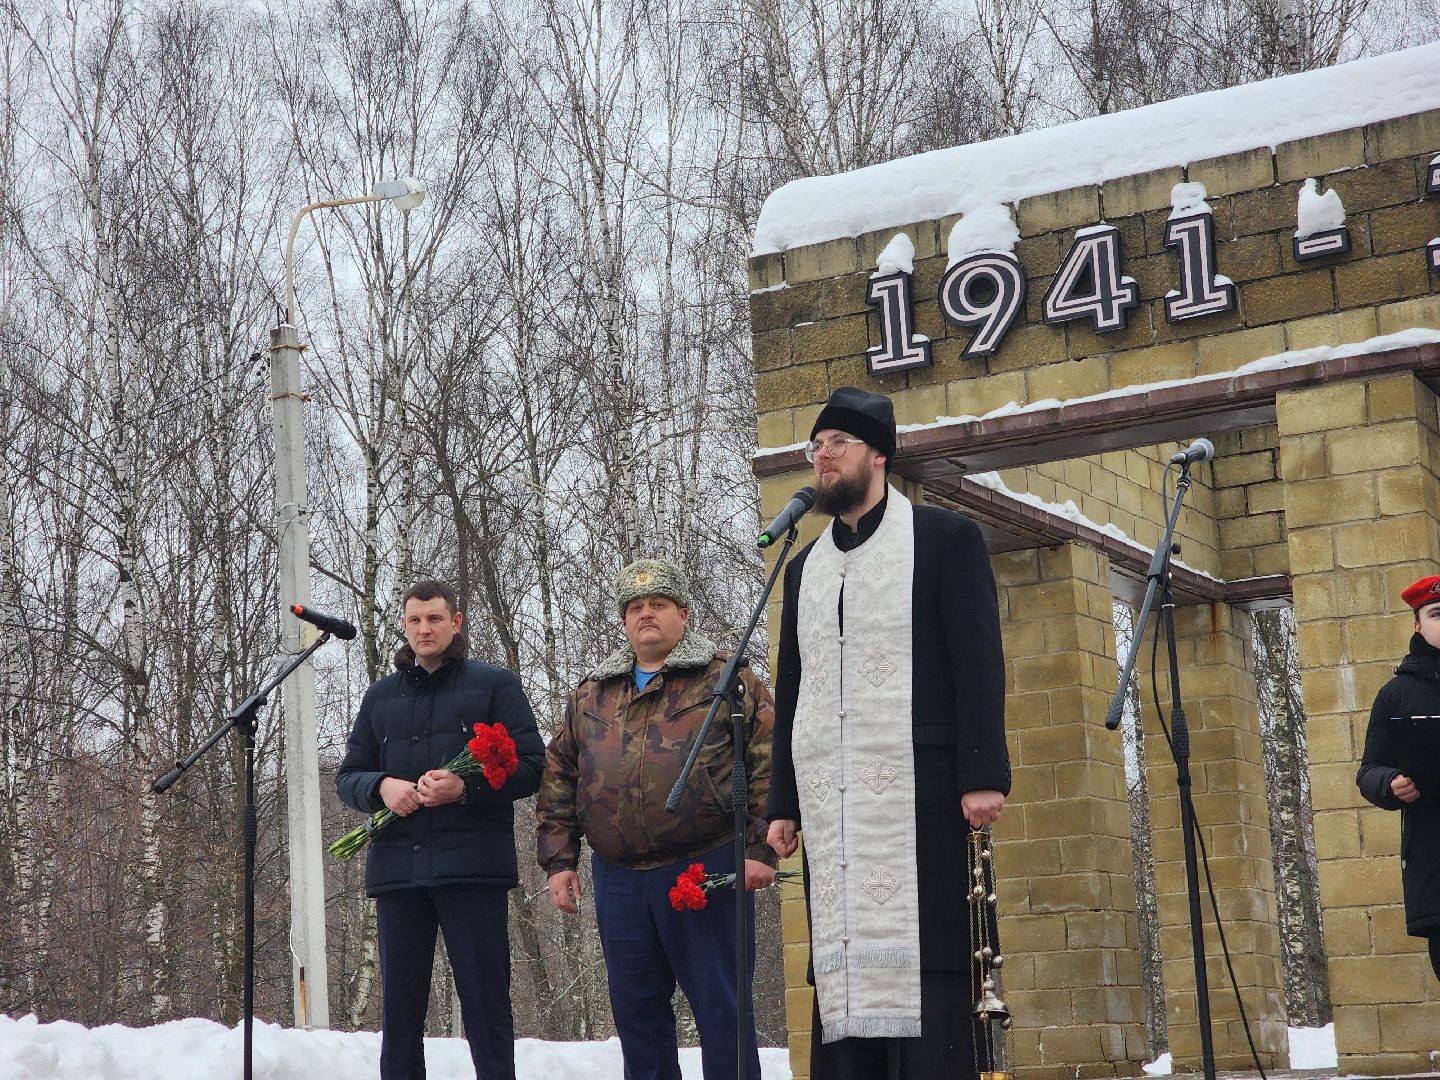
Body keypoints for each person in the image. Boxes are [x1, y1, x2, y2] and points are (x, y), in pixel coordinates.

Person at [765, 386, 1011, 1080]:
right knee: (841, 968)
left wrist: (982, 771)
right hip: (834, 808)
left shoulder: (943, 539)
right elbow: (794, 686)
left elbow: (978, 661)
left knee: (930, 963)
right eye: (816, 448)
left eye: (836, 443)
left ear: (878, 453)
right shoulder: (807, 566)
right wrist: (782, 801)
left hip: (925, 796)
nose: (823, 458)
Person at [536, 558, 776, 1080]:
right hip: (619, 878)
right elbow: (559, 776)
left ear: (683, 615)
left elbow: (767, 761)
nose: (647, 615)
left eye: (659, 605)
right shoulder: (592, 692)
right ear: (624, 620)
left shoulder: (726, 679)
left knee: (723, 1011)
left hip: (704, 866)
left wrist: (762, 849)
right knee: (637, 1015)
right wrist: (559, 861)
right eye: (636, 607)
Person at [337, 579, 546, 1080]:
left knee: (485, 1003)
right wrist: (382, 786)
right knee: (400, 1011)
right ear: (404, 626)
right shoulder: (380, 696)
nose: (424, 628)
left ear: (456, 624)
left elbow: (532, 765)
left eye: (434, 619)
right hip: (398, 870)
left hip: (472, 870)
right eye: (415, 620)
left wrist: (466, 789)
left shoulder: (496, 685)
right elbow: (348, 776)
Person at [1357, 574, 1440, 983]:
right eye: (1437, 614)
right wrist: (1391, 784)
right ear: (1417, 624)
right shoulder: (1396, 696)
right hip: (1435, 861)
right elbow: (1369, 769)